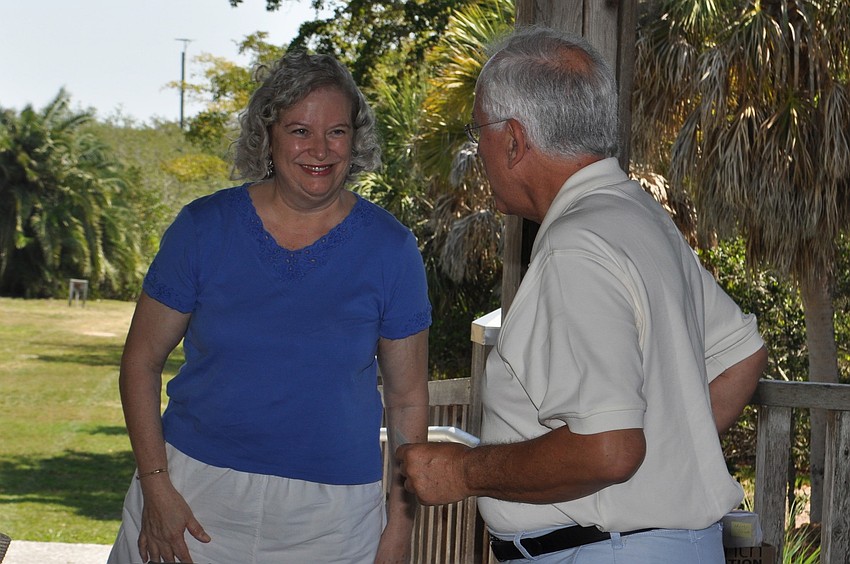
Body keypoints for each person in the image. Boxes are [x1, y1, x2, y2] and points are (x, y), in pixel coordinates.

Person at [396, 26, 768, 563]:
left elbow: (609, 449)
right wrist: (654, 471)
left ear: (515, 140)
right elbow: (741, 356)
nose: (479, 150)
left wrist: (461, 471)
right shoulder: (636, 215)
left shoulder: (575, 247)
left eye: (479, 132)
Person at [108, 51, 431, 564]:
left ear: (356, 138)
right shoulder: (203, 228)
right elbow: (140, 362)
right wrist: (156, 487)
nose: (320, 149)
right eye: (300, 130)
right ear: (268, 134)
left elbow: (408, 398)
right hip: (192, 497)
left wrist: (400, 527)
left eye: (337, 132)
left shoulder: (391, 249)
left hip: (334, 521)